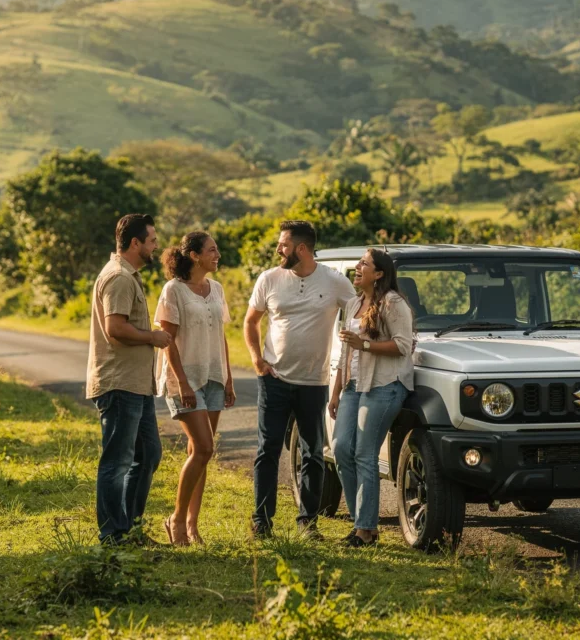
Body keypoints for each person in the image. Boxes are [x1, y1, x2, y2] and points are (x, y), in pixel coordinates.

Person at [244, 220, 356, 540]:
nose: (278, 249)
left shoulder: (335, 281)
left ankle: (308, 522)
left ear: (301, 249)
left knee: (313, 452)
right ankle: (262, 522)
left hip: (314, 382)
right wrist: (256, 359)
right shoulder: (270, 279)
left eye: (283, 244)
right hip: (274, 379)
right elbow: (251, 322)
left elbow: (361, 311)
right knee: (268, 450)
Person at [86, 213, 172, 544]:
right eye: (151, 241)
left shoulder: (128, 275)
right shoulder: (120, 277)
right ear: (135, 243)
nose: (155, 246)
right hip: (119, 384)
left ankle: (131, 529)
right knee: (117, 462)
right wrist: (152, 337)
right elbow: (116, 328)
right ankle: (113, 534)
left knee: (148, 453)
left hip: (135, 384)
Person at [154, 231, 236, 546]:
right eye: (212, 250)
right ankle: (175, 520)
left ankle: (192, 526)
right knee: (203, 448)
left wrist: (228, 377)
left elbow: (221, 335)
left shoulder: (216, 288)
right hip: (184, 379)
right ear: (195, 256)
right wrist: (183, 382)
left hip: (214, 376)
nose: (218, 255)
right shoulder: (173, 290)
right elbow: (167, 341)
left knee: (198, 453)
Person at [328, 248, 414, 547]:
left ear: (379, 273)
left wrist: (364, 345)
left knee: (365, 454)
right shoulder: (353, 303)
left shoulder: (393, 303)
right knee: (340, 450)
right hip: (353, 386)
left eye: (364, 264)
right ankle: (361, 524)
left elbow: (404, 345)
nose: (357, 267)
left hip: (385, 385)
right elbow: (344, 352)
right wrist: (336, 391)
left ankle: (365, 530)